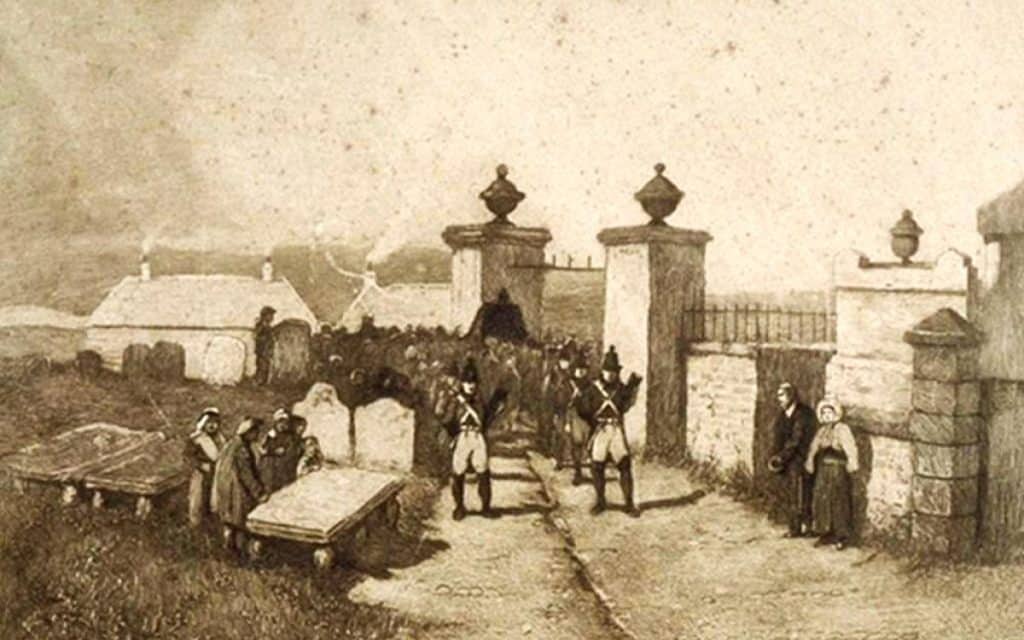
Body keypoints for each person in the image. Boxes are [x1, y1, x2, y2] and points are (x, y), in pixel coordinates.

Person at [435, 358, 508, 521]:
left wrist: (497, 408)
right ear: (462, 383)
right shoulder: (456, 400)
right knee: (458, 471)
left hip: (477, 437)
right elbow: (447, 419)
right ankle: (459, 507)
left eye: (473, 382)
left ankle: (486, 507)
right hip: (462, 436)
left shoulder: (480, 400)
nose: (471, 386)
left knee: (483, 470)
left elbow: (486, 419)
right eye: (468, 383)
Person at [576, 346, 643, 516]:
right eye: (607, 371)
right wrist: (591, 423)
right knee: (597, 466)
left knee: (624, 465)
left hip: (615, 430)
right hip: (600, 430)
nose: (610, 374)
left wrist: (634, 386)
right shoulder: (593, 390)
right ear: (602, 371)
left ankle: (629, 503)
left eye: (613, 371)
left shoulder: (621, 389)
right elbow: (583, 410)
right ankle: (600, 501)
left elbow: (626, 405)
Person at [805, 398, 859, 550]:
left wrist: (852, 462)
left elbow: (850, 448)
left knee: (838, 500)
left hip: (838, 469)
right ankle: (825, 532)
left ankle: (842, 536)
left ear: (836, 414)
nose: (827, 415)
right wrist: (809, 461)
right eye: (824, 413)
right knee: (822, 499)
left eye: (830, 412)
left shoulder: (842, 429)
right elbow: (813, 447)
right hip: (823, 470)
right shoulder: (822, 431)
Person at [768, 382, 818, 538]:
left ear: (791, 396)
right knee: (792, 493)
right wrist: (775, 456)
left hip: (802, 458)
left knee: (801, 493)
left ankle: (805, 527)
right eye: (778, 396)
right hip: (790, 459)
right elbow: (778, 438)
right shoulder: (783, 414)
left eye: (782, 396)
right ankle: (795, 527)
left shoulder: (803, 414)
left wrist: (781, 457)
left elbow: (797, 440)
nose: (779, 399)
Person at [212, 417, 269, 552]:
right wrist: (259, 493)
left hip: (225, 487)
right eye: (255, 432)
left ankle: (228, 546)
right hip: (235, 488)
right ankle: (240, 550)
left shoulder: (231, 444)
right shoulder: (241, 450)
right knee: (240, 519)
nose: (257, 435)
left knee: (229, 520)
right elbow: (246, 475)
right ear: (248, 432)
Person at [182, 407, 226, 528]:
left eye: (215, 423)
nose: (212, 426)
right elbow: (188, 457)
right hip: (201, 473)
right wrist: (200, 465)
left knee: (214, 497)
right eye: (209, 423)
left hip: (216, 472)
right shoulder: (196, 439)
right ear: (203, 423)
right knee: (198, 498)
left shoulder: (220, 439)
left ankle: (212, 521)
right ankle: (196, 523)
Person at [541, 344, 575, 468]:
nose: (565, 364)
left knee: (568, 434)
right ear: (559, 361)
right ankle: (557, 458)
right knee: (558, 433)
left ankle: (564, 456)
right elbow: (546, 393)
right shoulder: (553, 374)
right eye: (563, 361)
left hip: (568, 408)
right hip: (556, 408)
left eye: (567, 361)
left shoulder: (570, 374)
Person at [562, 354, 592, 485]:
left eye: (583, 369)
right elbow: (566, 405)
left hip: (588, 418)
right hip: (575, 417)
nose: (580, 371)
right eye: (578, 369)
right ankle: (577, 472)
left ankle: (593, 471)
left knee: (590, 447)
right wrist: (567, 422)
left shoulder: (591, 385)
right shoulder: (568, 385)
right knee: (576, 446)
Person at [257, 408, 303, 492]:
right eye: (281, 422)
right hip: (271, 469)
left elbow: (291, 451)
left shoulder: (290, 437)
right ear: (276, 422)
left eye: (285, 422)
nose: (283, 425)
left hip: (285, 469)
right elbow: (262, 450)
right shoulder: (270, 435)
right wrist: (273, 451)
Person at [254, 306, 276, 385]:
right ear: (265, 315)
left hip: (266, 349)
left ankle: (263, 381)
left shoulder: (267, 326)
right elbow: (257, 336)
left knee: (266, 365)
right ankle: (259, 381)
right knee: (261, 365)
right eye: (270, 315)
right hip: (262, 349)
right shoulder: (261, 325)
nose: (272, 318)